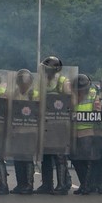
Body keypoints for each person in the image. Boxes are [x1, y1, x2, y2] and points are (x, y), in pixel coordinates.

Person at [36, 56, 73, 195]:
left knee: (59, 154)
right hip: (45, 121)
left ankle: (62, 184)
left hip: (59, 123)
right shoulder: (42, 81)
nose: (44, 71)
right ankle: (47, 184)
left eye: (47, 68)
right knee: (45, 154)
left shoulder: (63, 82)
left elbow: (70, 101)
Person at [70, 74, 102, 195]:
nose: (81, 91)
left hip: (88, 130)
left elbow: (99, 112)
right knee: (75, 159)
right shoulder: (71, 93)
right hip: (74, 131)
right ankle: (84, 184)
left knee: (87, 159)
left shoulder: (94, 94)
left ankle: (87, 185)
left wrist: (97, 108)